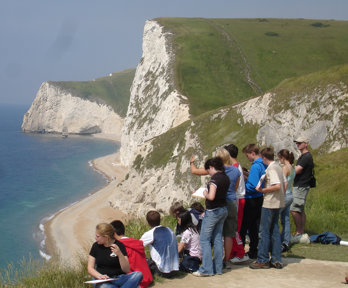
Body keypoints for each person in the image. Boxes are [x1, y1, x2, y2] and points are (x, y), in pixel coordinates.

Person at [190, 149, 240, 270]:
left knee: (213, 235)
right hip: (232, 202)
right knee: (228, 234)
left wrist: (191, 162)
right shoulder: (235, 170)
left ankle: (207, 265)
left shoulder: (217, 173)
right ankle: (225, 260)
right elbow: (235, 187)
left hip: (218, 204)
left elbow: (195, 171)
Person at [192, 157, 229, 277]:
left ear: (212, 167)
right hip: (223, 209)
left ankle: (206, 269)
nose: (208, 172)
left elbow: (211, 196)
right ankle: (218, 268)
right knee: (218, 239)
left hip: (213, 211)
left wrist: (205, 194)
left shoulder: (214, 180)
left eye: (208, 170)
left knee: (204, 239)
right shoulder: (225, 177)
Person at [249, 147, 285, 269]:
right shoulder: (279, 167)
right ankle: (276, 259)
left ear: (264, 157)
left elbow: (277, 186)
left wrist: (262, 190)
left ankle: (263, 259)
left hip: (270, 203)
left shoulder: (272, 168)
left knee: (264, 232)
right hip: (278, 202)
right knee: (274, 230)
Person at [87, 223, 143, 288]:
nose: (95, 238)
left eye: (98, 236)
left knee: (138, 274)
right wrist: (100, 276)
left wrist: (119, 254)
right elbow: (90, 268)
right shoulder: (95, 246)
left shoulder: (119, 245)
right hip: (103, 280)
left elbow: (126, 269)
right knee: (104, 287)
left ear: (106, 237)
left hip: (118, 278)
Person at [240, 144, 267, 259]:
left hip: (251, 199)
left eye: (247, 155)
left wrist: (243, 186)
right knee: (254, 227)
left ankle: (240, 251)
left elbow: (252, 186)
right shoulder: (263, 164)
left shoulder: (256, 166)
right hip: (259, 197)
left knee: (244, 226)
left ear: (252, 153)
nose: (247, 158)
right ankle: (253, 250)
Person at [224, 143, 249, 263]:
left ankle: (240, 253)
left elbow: (233, 186)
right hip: (238, 198)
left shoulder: (234, 167)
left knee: (235, 228)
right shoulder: (236, 165)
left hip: (237, 198)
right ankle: (234, 251)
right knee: (233, 227)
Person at [110, 220, 153, 288]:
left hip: (136, 281)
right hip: (147, 278)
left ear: (114, 233)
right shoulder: (135, 242)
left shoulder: (119, 246)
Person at [140, 210, 179, 277]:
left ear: (148, 222)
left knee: (142, 260)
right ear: (160, 220)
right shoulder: (169, 230)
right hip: (175, 269)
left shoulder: (150, 233)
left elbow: (137, 245)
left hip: (161, 271)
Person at [290, 136, 315, 237]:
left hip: (301, 185)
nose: (298, 145)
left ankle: (299, 232)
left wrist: (288, 169)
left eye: (300, 143)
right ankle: (301, 231)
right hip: (301, 184)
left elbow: (298, 170)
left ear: (306, 143)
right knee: (300, 209)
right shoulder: (304, 156)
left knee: (294, 209)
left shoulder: (306, 157)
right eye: (297, 143)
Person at [277, 149, 296, 252]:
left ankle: (277, 242)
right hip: (290, 194)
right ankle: (286, 241)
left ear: (283, 158)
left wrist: (281, 196)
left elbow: (284, 183)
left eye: (279, 158)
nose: (279, 160)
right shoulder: (292, 167)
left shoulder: (285, 168)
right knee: (285, 219)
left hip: (284, 195)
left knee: (275, 217)